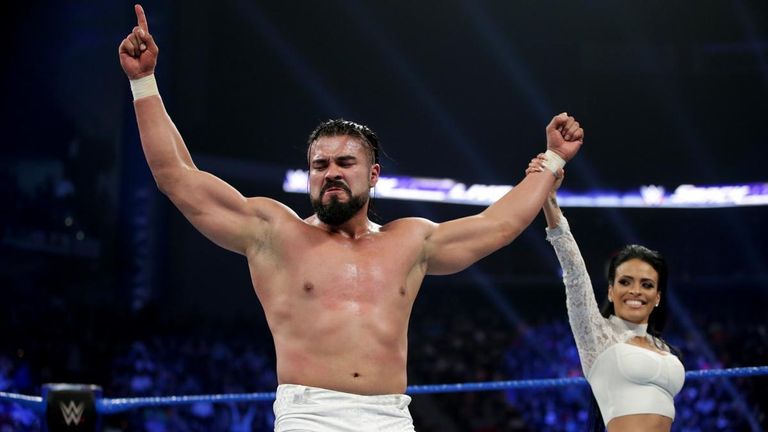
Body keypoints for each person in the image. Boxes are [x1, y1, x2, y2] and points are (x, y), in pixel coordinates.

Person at [119, 4, 584, 430]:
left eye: (345, 163)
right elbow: (176, 176)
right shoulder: (273, 232)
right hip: (309, 416)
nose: (331, 174)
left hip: (389, 417)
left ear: (373, 173)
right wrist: (144, 83)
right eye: (320, 166)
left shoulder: (411, 242)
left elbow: (498, 225)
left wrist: (553, 160)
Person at [527, 156, 685, 432]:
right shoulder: (598, 335)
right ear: (611, 291)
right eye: (626, 282)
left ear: (658, 296)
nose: (636, 291)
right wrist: (548, 197)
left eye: (647, 284)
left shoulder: (666, 349)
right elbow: (574, 272)